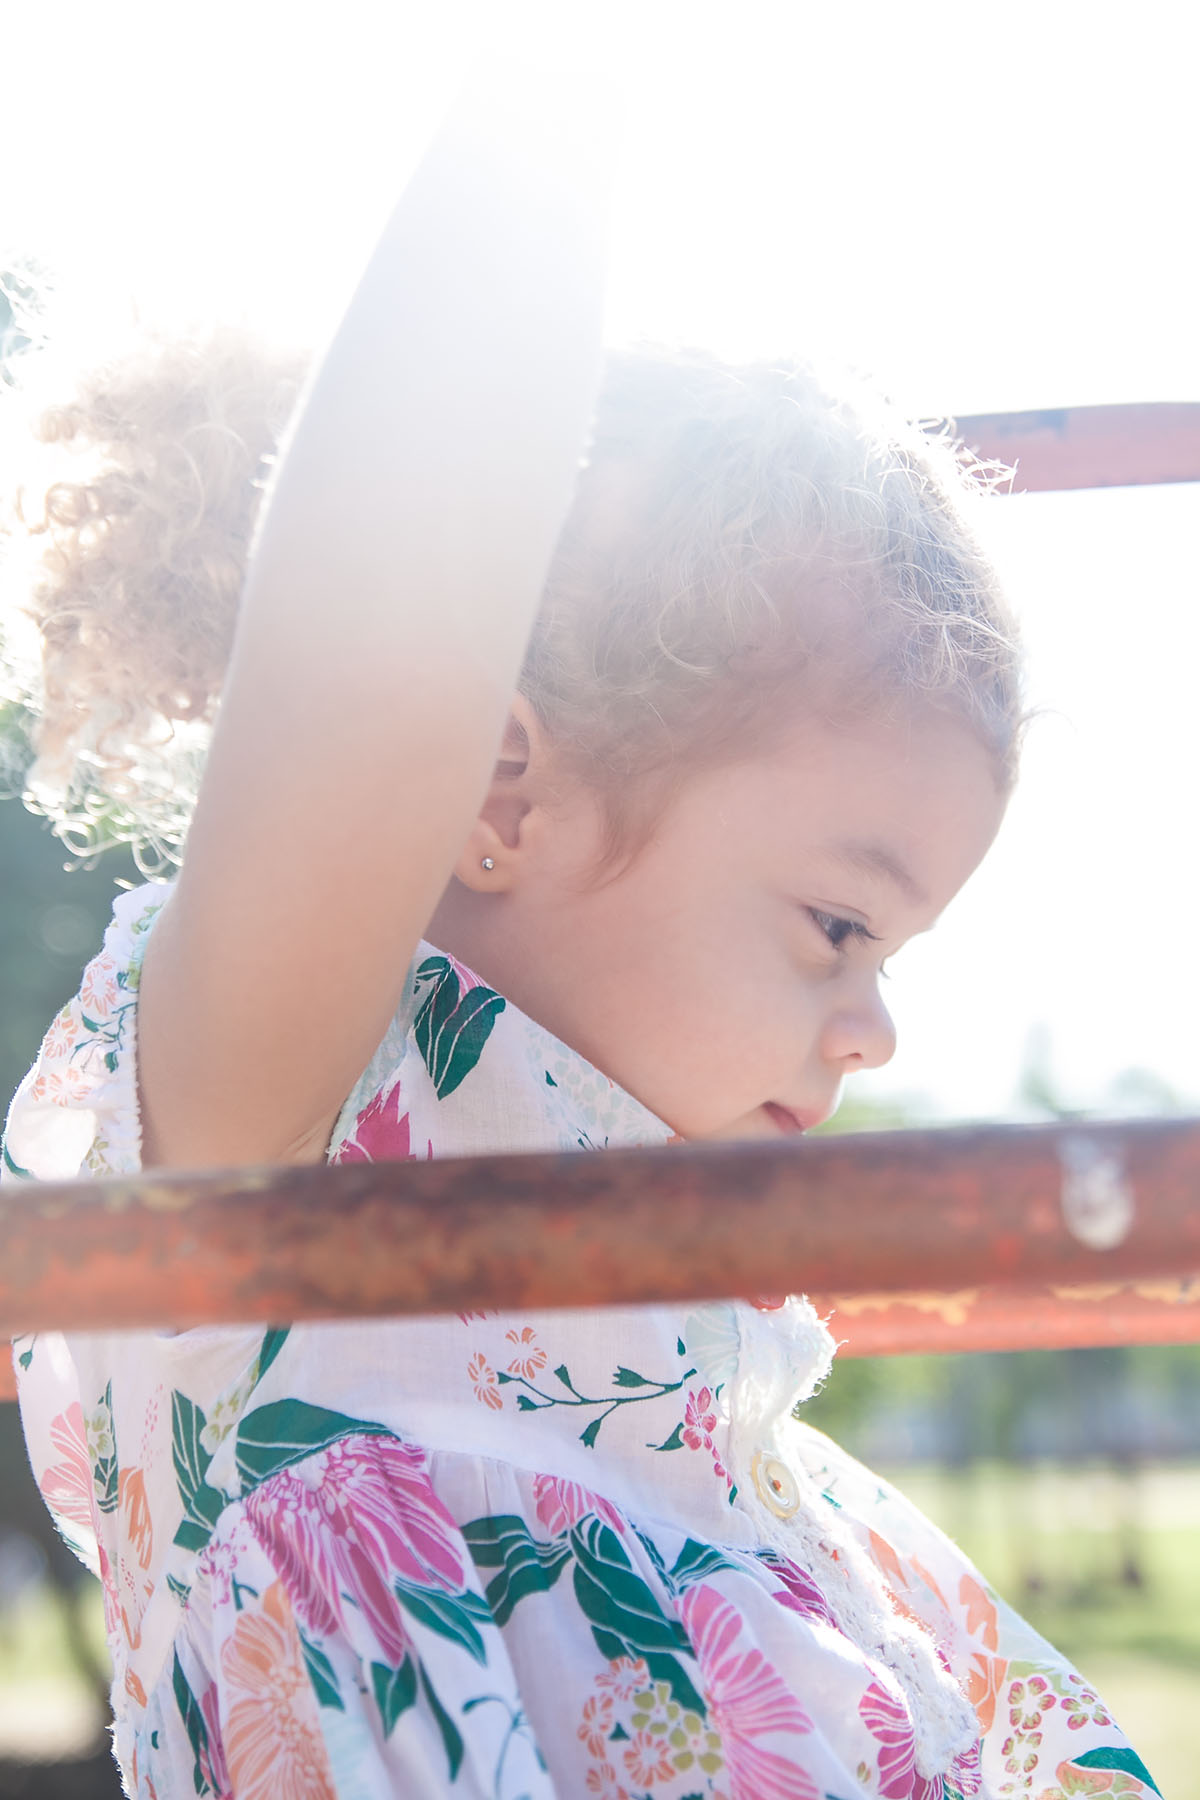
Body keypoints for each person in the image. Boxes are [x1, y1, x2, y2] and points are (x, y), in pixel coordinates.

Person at [1, 91, 1156, 1800]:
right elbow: (379, 642)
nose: (876, 1033)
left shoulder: (722, 1425)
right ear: (499, 789)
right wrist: (560, 85)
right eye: (838, 925)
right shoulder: (292, 1142)